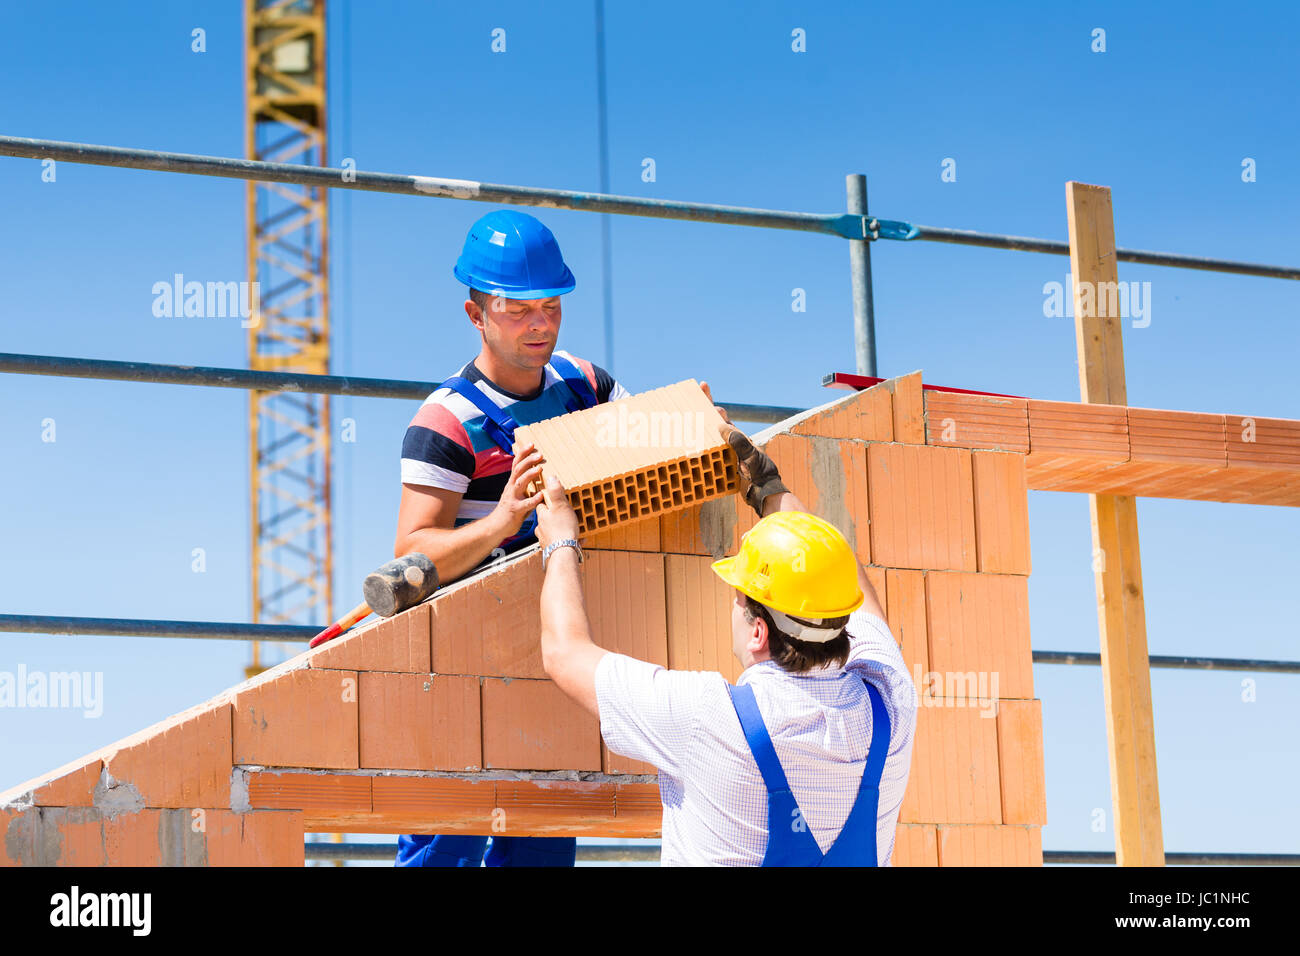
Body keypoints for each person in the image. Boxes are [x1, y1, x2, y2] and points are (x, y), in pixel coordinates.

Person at [533, 427, 918, 865]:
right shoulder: (891, 701)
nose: (733, 607)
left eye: (738, 599)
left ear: (759, 632)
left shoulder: (707, 719)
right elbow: (844, 580)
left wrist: (560, 540)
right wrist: (769, 490)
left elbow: (564, 653)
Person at [391, 208, 631, 868]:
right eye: (518, 309)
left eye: (551, 306)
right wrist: (500, 522)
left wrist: (691, 428)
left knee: (541, 836)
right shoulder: (447, 421)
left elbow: (648, 460)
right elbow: (411, 552)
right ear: (476, 314)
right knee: (446, 838)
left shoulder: (587, 388)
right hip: (463, 656)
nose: (540, 324)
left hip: (555, 650)